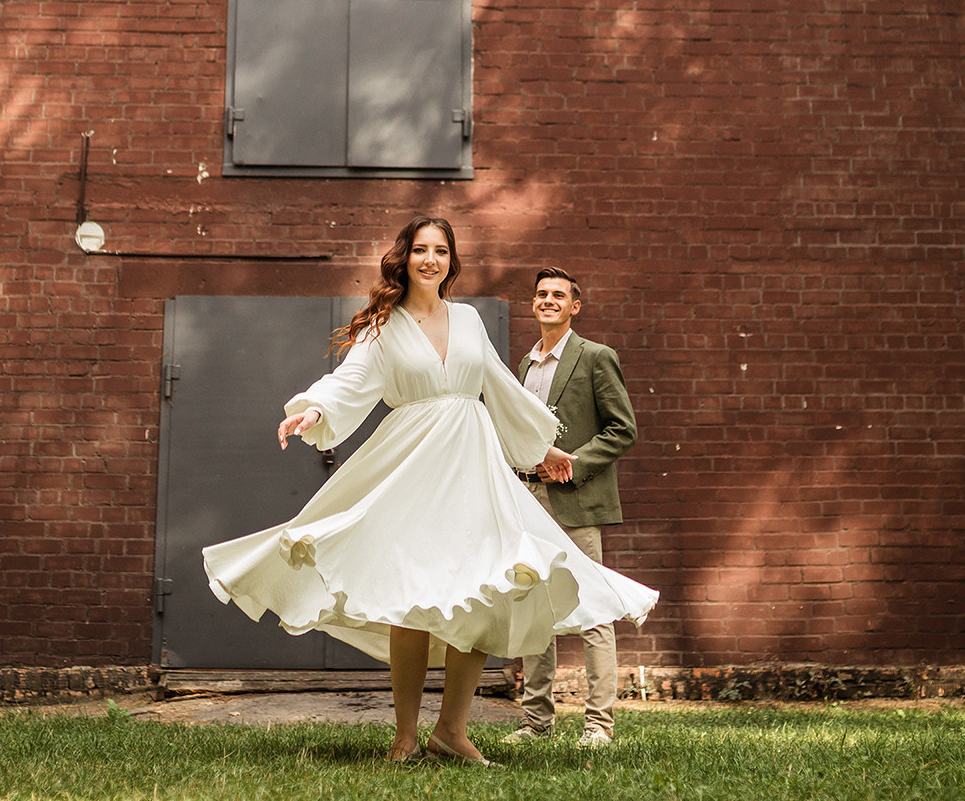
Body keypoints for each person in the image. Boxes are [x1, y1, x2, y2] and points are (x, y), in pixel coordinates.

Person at [203, 217, 657, 765]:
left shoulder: (467, 320)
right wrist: (314, 409)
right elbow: (351, 381)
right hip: (413, 465)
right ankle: (404, 735)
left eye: (441, 251)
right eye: (421, 249)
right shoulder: (383, 325)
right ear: (406, 257)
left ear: (451, 261)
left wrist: (545, 450)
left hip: (473, 467)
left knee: (485, 589)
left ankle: (452, 730)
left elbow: (501, 388)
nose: (430, 260)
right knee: (410, 597)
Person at [505, 266, 638, 747]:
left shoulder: (596, 357)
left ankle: (599, 725)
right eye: (541, 294)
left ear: (574, 306)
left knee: (593, 610)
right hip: (529, 501)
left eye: (558, 295)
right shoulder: (523, 364)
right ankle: (536, 722)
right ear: (533, 304)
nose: (547, 300)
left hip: (577, 500)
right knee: (535, 609)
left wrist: (573, 465)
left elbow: (623, 429)